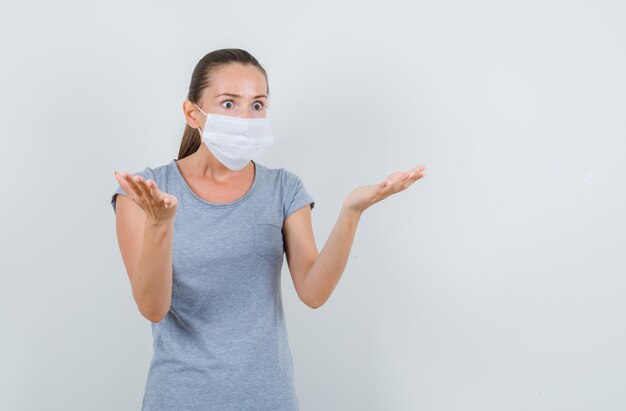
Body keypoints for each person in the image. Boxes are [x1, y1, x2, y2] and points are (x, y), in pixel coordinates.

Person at [110, 48, 426, 410]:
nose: (246, 117)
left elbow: (313, 291)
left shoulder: (283, 189)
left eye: (257, 105)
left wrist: (351, 212)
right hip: (180, 398)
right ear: (191, 113)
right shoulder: (145, 193)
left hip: (269, 399)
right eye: (229, 104)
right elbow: (152, 307)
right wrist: (160, 225)